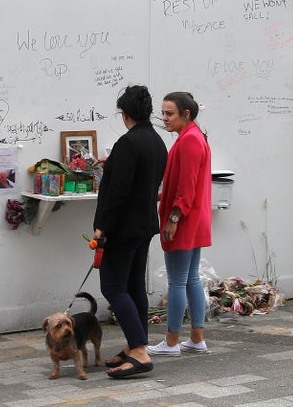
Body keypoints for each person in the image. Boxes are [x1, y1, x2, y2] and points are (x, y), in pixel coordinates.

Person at [92, 85, 168, 378]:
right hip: (145, 224)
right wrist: (113, 165)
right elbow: (143, 178)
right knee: (134, 285)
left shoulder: (128, 142)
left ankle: (138, 352)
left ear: (124, 113)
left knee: (112, 287)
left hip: (123, 228)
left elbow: (118, 193)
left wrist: (102, 228)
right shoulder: (156, 141)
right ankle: (135, 345)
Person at [147, 92, 212, 356]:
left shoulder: (189, 141)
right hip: (194, 218)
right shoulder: (194, 137)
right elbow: (185, 183)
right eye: (162, 113)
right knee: (190, 279)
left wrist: (173, 218)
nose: (164, 118)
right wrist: (164, 195)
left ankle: (172, 342)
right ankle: (196, 339)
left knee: (177, 281)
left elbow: (187, 187)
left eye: (169, 113)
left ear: (186, 114)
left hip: (184, 219)